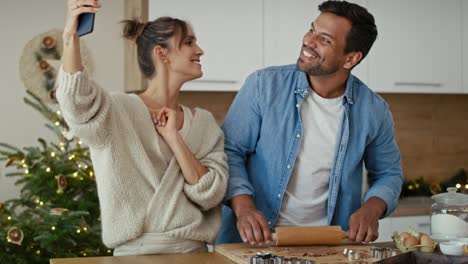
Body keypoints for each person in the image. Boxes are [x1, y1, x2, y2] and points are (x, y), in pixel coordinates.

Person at [217, 0, 403, 245]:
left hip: (327, 245)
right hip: (254, 242)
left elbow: (389, 173)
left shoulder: (374, 110)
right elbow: (230, 151)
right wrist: (244, 208)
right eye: (312, 29)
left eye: (324, 39)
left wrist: (372, 208)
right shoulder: (263, 86)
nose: (308, 40)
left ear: (350, 59)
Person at [58, 0, 228, 255]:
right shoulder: (117, 110)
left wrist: (174, 139)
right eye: (189, 42)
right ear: (162, 54)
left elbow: (211, 194)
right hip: (134, 255)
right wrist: (71, 35)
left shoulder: (203, 123)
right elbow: (74, 102)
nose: (200, 50)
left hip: (194, 255)